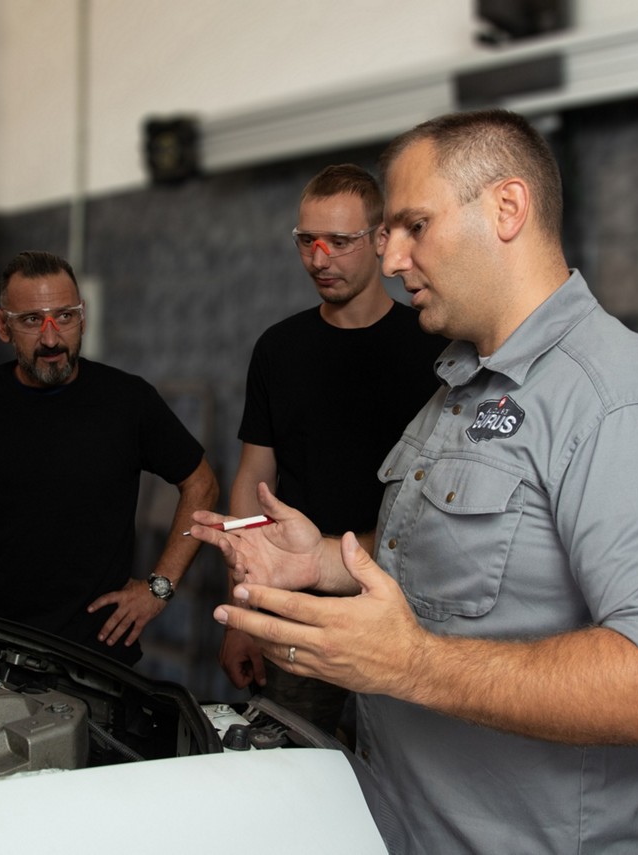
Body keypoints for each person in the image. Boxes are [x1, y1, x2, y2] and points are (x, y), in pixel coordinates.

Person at [190, 109, 638, 854]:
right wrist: (321, 560)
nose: (390, 259)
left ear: (507, 209)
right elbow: (450, 569)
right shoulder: (459, 388)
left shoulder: (625, 401)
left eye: (413, 225)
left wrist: (412, 665)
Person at [0, 250, 218, 666]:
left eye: (65, 317)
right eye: (32, 320)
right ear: (4, 326)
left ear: (82, 318)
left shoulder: (128, 400)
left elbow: (201, 484)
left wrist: (158, 588)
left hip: (96, 654)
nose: (52, 339)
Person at [222, 164, 445, 735]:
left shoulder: (435, 348)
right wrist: (243, 610)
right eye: (306, 242)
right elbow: (254, 479)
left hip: (401, 608)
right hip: (297, 608)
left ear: (379, 241)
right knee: (295, 769)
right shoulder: (279, 349)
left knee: (401, 774)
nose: (320, 259)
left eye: (339, 242)